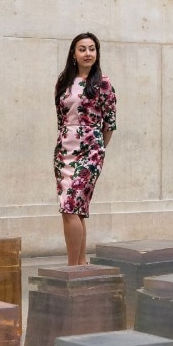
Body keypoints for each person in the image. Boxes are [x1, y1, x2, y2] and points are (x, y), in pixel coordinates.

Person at [54, 32, 116, 265]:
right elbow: (61, 119)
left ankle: (72, 267)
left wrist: (97, 150)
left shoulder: (103, 84)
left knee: (69, 206)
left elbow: (109, 124)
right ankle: (80, 263)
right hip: (64, 150)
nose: (88, 53)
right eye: (82, 49)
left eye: (92, 48)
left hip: (90, 151)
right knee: (75, 209)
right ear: (74, 53)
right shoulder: (63, 82)